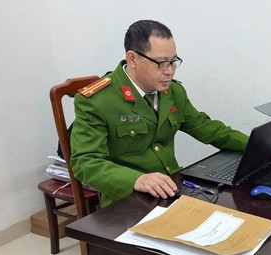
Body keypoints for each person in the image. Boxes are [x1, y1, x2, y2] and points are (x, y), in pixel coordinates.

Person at [71, 20, 248, 208]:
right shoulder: (98, 100)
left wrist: (254, 146)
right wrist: (137, 180)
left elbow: (206, 127)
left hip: (173, 190)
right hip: (127, 200)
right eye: (162, 63)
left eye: (173, 62)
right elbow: (85, 163)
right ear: (132, 59)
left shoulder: (173, 92)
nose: (169, 71)